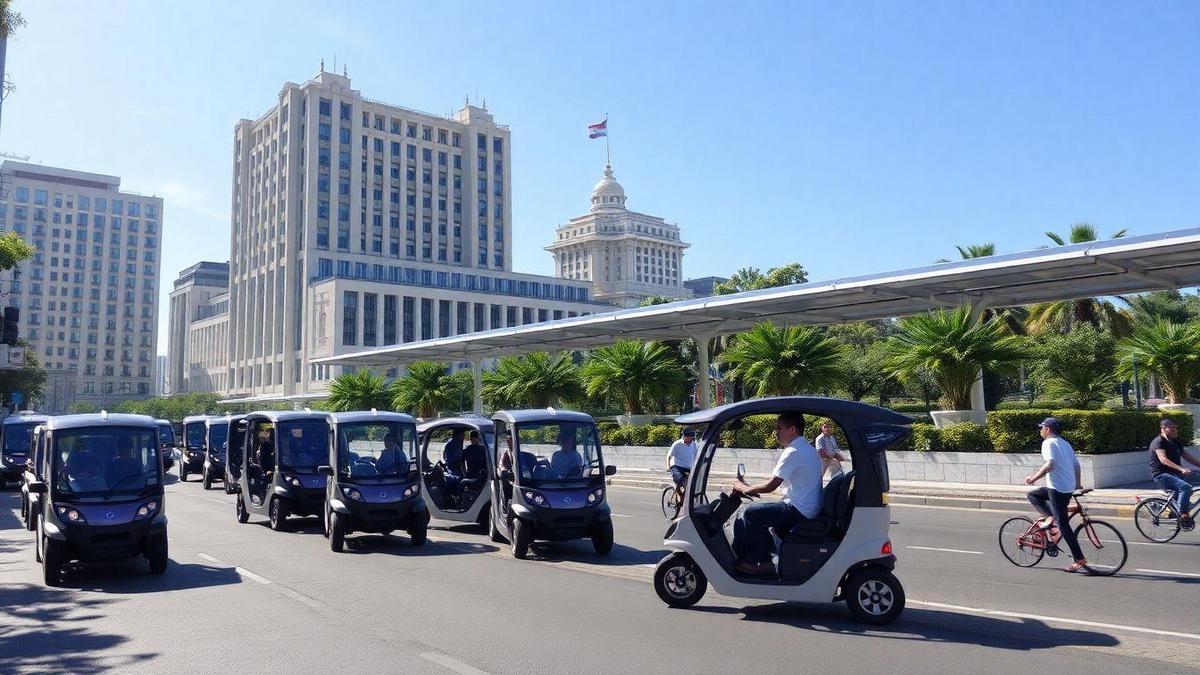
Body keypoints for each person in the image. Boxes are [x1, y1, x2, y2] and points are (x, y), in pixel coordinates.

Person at [728, 412, 823, 576]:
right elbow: (775, 481)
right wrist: (753, 488)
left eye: (779, 428)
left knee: (750, 513)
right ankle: (769, 558)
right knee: (756, 513)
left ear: (792, 429)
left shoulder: (793, 451)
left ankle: (757, 563)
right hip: (806, 506)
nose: (776, 432)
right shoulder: (808, 449)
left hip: (798, 509)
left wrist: (744, 488)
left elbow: (772, 485)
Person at [1025, 417, 1088, 573]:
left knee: (1062, 524)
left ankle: (1079, 558)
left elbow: (1050, 464)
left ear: (1048, 429)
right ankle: (1051, 518)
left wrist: (1033, 477)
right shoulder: (1065, 443)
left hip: (1057, 488)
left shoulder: (1048, 443)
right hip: (1068, 488)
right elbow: (1076, 465)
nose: (1040, 431)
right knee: (1038, 497)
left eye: (1042, 428)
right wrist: (1078, 483)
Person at [1149, 418, 1200, 528]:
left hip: (1176, 474)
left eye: (1175, 429)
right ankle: (1183, 515)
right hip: (1161, 475)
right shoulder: (1158, 442)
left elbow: (1188, 457)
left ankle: (1175, 512)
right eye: (1171, 429)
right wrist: (1181, 469)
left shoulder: (1176, 442)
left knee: (1187, 492)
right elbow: (1163, 459)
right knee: (1186, 488)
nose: (1175, 431)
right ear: (1163, 429)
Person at [666, 428, 698, 503]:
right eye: (689, 437)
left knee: (691, 484)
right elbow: (669, 456)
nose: (691, 439)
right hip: (676, 466)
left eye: (692, 437)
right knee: (679, 480)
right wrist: (668, 466)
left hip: (688, 467)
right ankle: (680, 496)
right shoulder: (677, 444)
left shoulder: (694, 444)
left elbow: (697, 455)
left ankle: (685, 496)